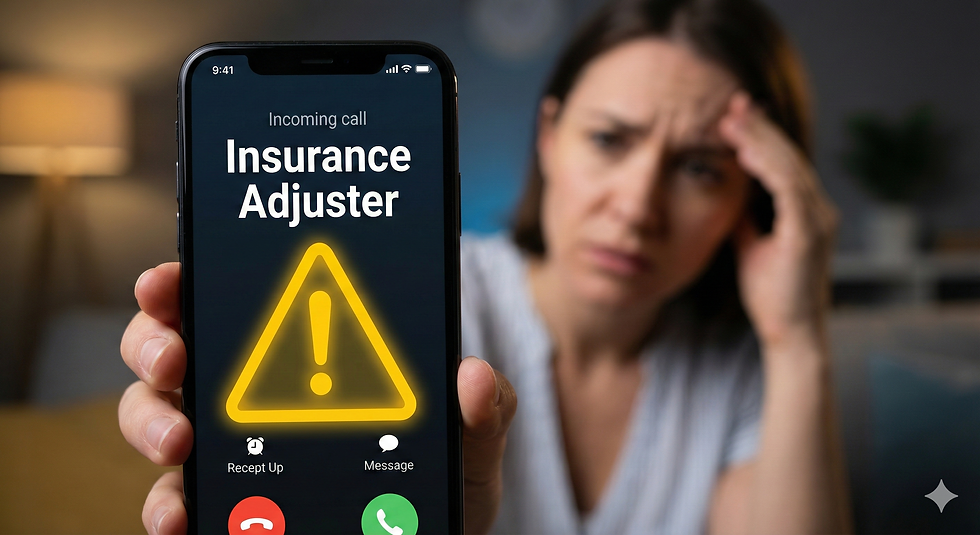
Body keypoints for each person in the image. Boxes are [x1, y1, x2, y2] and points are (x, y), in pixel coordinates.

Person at [118, 0, 852, 533]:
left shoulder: (744, 366)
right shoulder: (425, 301)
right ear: (550, 137)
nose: (637, 206)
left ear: (748, 198)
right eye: (608, 139)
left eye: (699, 168)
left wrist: (798, 337)